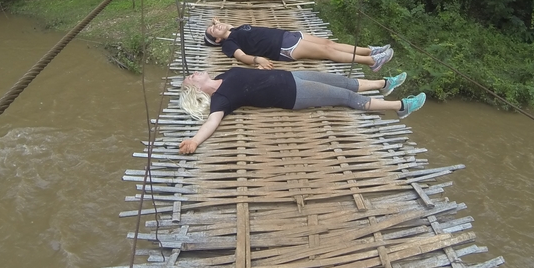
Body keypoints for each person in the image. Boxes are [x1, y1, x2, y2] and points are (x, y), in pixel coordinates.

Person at [178, 67, 425, 154]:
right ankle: (401, 107)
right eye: (191, 77)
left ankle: (384, 84)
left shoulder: (222, 77)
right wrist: (195, 140)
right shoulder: (221, 98)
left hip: (292, 76)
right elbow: (213, 121)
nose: (195, 73)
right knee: (346, 97)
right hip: (294, 94)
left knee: (343, 81)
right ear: (197, 90)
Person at [203, 18, 394, 73]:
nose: (215, 26)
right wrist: (257, 59)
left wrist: (217, 24)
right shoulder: (228, 44)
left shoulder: (233, 30)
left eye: (214, 25)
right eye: (213, 30)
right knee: (327, 51)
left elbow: (223, 24)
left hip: (288, 35)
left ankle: (370, 50)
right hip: (282, 48)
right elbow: (241, 56)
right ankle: (371, 62)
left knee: (329, 43)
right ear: (218, 41)